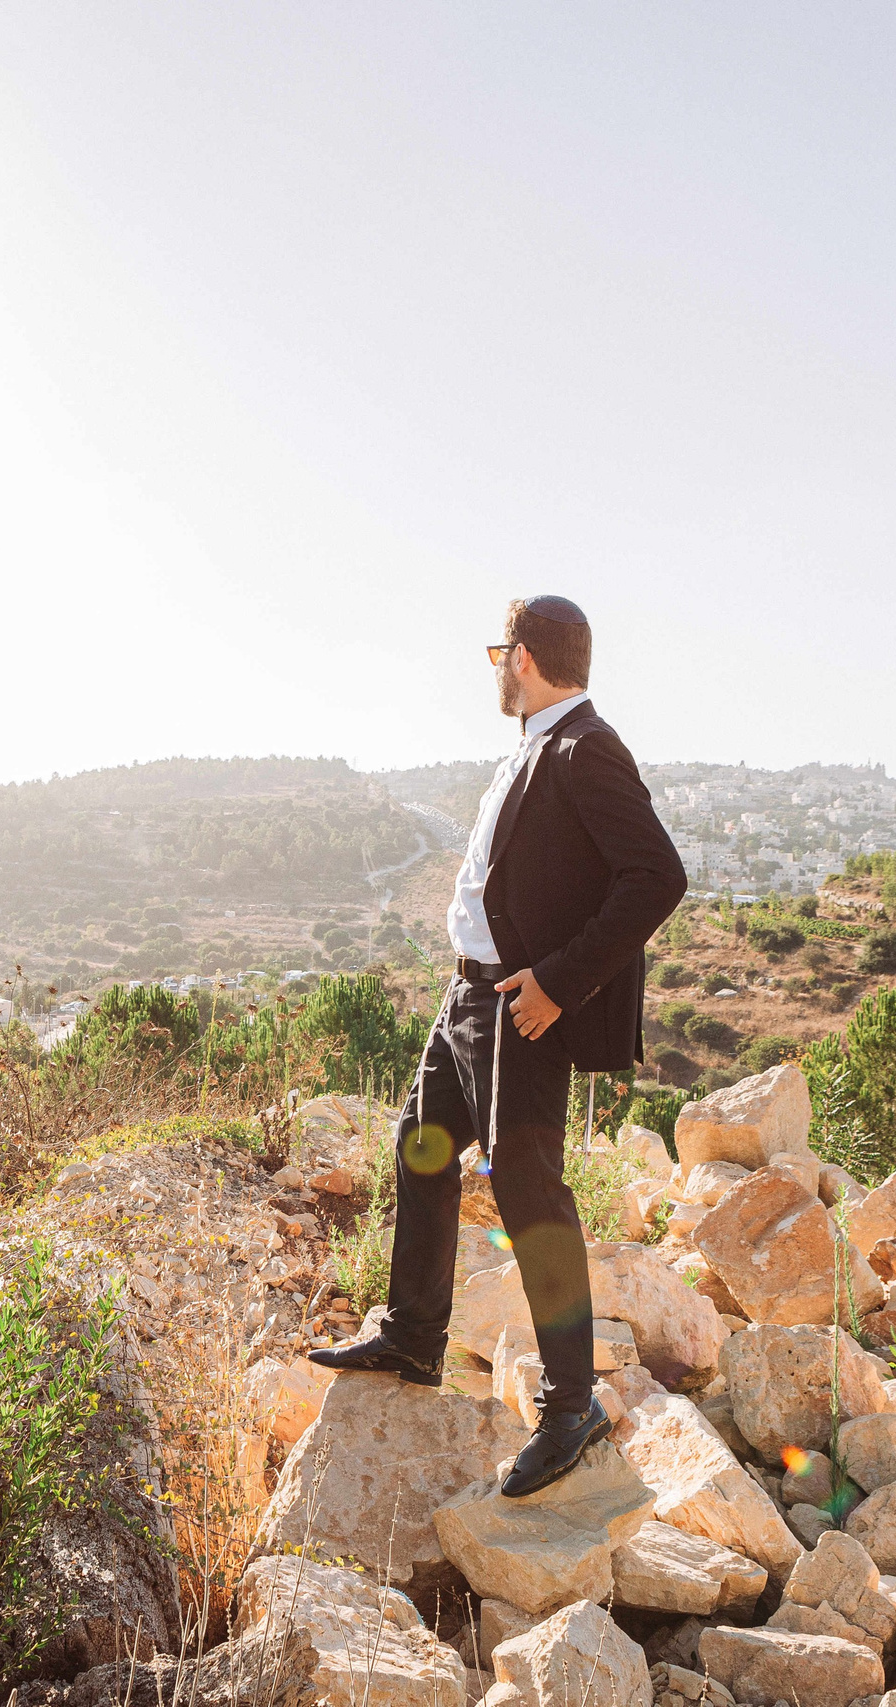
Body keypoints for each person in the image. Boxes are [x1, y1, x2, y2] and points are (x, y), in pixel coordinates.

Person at [309, 595, 685, 1496]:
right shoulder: (531, 749)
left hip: (523, 1005)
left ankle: (570, 1405)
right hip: (466, 997)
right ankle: (413, 1335)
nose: (493, 668)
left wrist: (559, 980)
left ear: (526, 657)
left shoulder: (586, 746)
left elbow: (657, 876)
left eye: (498, 651)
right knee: (421, 1148)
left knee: (527, 1190)